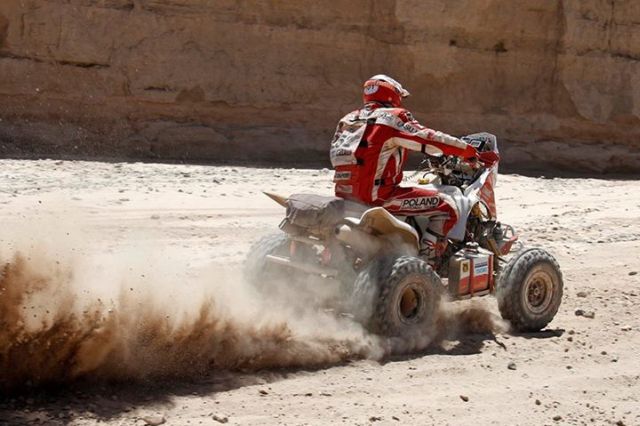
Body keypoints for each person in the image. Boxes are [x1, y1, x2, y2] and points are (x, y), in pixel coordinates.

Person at [329, 74, 496, 260]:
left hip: (346, 197)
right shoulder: (392, 118)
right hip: (380, 197)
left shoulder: (348, 120)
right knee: (448, 206)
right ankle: (427, 264)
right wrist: (468, 151)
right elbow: (428, 137)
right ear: (393, 95)